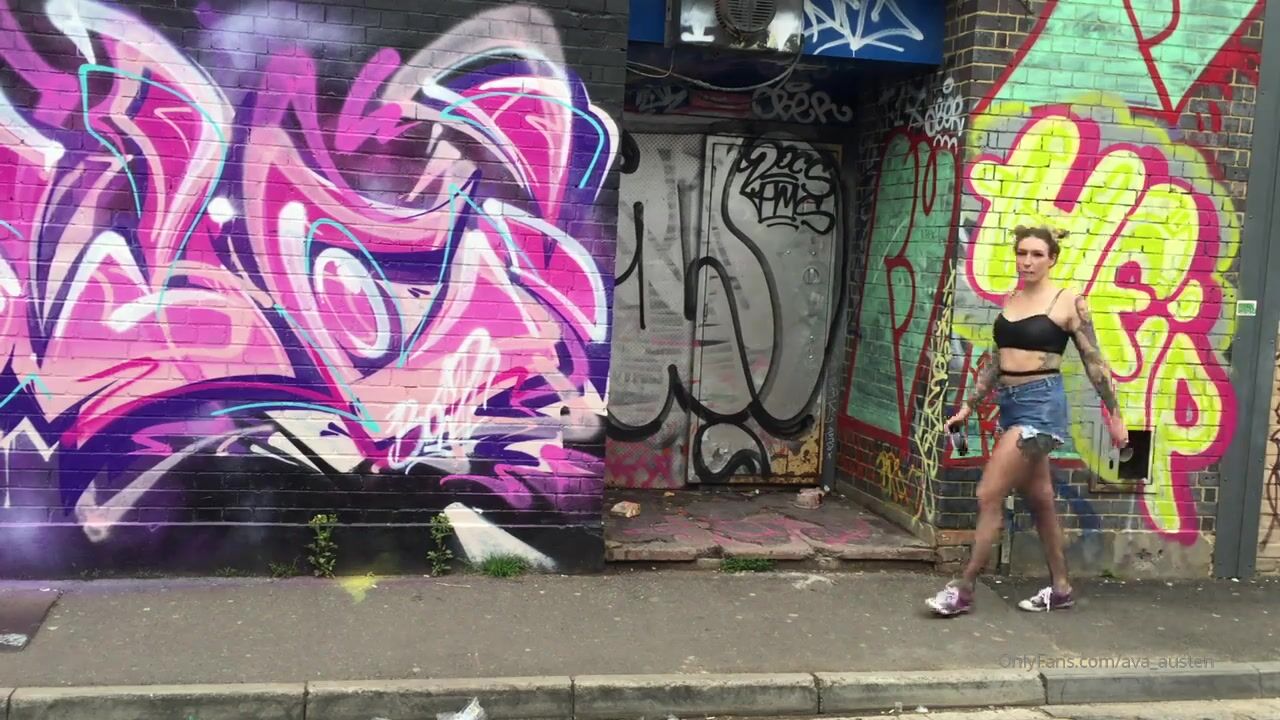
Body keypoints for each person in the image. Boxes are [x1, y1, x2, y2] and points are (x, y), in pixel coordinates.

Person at [926, 224, 1129, 617]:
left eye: (1037, 254)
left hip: (1042, 408)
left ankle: (963, 588)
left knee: (988, 494)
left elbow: (1095, 362)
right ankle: (1061, 588)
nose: (1028, 261)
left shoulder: (1068, 302)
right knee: (1041, 500)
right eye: (1022, 253)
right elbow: (997, 360)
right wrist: (969, 404)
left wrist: (1115, 415)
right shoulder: (1012, 299)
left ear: (1052, 259)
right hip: (1011, 404)